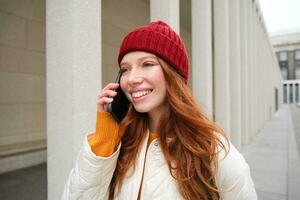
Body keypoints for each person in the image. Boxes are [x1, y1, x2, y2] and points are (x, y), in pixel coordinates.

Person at [62, 21, 257, 200]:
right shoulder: (118, 143)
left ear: (174, 75)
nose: (132, 79)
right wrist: (105, 139)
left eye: (147, 64)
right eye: (125, 69)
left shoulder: (213, 149)